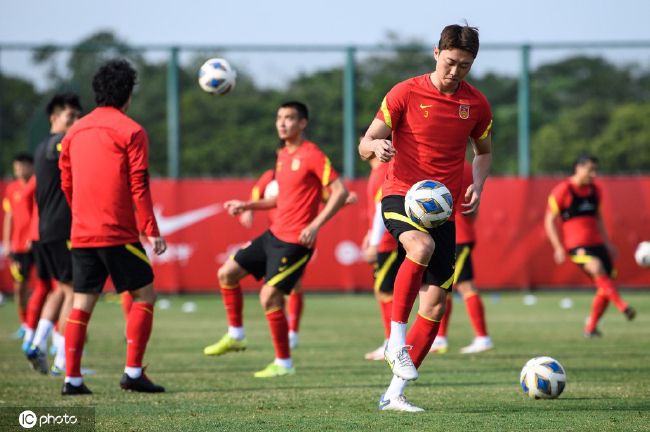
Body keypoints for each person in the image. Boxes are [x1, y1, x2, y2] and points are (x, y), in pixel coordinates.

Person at [359, 23, 493, 412]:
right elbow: (365, 141)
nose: (455, 72)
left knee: (434, 306)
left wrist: (479, 184)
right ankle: (394, 339)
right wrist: (377, 144)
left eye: (465, 66)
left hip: (442, 209)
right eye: (451, 62)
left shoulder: (477, 104)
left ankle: (394, 395)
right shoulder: (405, 92)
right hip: (401, 194)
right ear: (436, 53)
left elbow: (483, 152)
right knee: (420, 244)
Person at [204, 101, 349, 378]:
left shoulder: (312, 154)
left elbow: (339, 192)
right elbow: (280, 199)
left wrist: (316, 225)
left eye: (290, 118)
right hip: (273, 235)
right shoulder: (282, 155)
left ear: (302, 123)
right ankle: (236, 335)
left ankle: (284, 363)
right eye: (280, 118)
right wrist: (247, 205)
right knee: (227, 274)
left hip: (296, 241)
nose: (283, 123)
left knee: (269, 297)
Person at [58, 59, 167, 395]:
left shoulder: (74, 132)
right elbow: (139, 185)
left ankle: (72, 380)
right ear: (128, 95)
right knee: (145, 294)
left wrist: (81, 214)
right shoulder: (131, 131)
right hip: (117, 232)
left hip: (82, 232)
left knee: (81, 303)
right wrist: (151, 229)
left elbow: (67, 182)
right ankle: (133, 372)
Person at [544, 154, 635, 337]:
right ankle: (623, 306)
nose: (594, 174)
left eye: (596, 170)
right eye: (590, 170)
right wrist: (558, 247)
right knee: (597, 267)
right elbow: (549, 220)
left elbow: (598, 219)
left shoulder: (595, 191)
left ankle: (591, 327)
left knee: (605, 285)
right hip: (577, 246)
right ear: (578, 168)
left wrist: (607, 243)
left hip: (597, 243)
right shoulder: (564, 190)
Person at [25, 93, 82, 374]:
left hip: (47, 230)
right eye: (70, 117)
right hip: (63, 229)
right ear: (54, 119)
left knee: (60, 290)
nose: (75, 122)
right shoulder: (59, 144)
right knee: (75, 291)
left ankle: (35, 342)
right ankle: (63, 359)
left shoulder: (41, 148)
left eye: (77, 116)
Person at [429, 159, 493, 354]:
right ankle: (440, 338)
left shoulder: (445, 165)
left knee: (465, 285)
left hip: (456, 235)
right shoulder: (467, 167)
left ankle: (482, 337)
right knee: (443, 286)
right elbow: (472, 204)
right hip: (458, 232)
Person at [362, 156, 400, 361]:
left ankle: (392, 342)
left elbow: (381, 207)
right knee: (385, 290)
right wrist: (369, 235)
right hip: (384, 239)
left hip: (388, 241)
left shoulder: (384, 169)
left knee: (385, 291)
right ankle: (392, 342)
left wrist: (375, 241)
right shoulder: (378, 170)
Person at [2, 153, 36, 339]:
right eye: (16, 168)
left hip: (36, 245)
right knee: (19, 287)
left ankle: (46, 325)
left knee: (48, 286)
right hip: (18, 248)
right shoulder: (11, 188)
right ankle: (25, 324)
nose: (19, 171)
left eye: (22, 166)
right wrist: (8, 242)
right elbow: (9, 216)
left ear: (31, 167)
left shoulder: (36, 185)